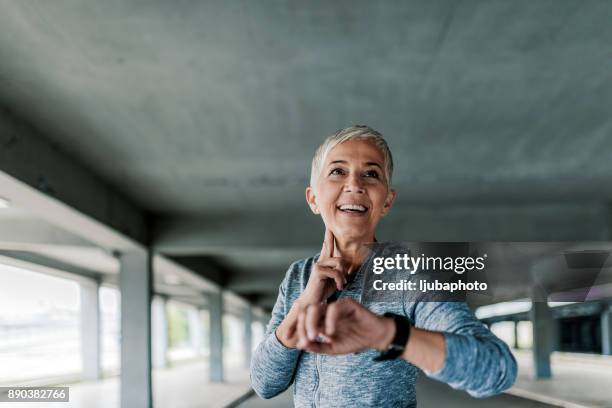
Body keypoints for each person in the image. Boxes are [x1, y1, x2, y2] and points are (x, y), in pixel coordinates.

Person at [250, 125, 517, 407]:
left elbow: (498, 369)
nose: (355, 184)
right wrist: (304, 303)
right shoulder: (298, 276)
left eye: (371, 174)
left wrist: (388, 334)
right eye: (338, 171)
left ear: (387, 201)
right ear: (313, 198)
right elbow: (264, 384)